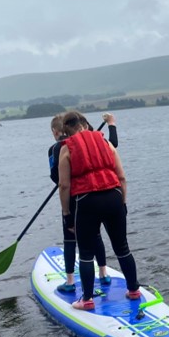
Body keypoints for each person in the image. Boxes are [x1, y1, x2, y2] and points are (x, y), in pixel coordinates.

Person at [57, 111, 141, 310]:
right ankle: (133, 290)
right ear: (86, 125)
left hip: (87, 201)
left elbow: (64, 186)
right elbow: (122, 178)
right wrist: (124, 203)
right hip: (114, 198)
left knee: (86, 253)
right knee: (122, 247)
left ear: (66, 131)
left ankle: (86, 300)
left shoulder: (66, 148)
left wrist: (66, 213)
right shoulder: (106, 143)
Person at [48, 113, 118, 293]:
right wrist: (110, 125)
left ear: (56, 132)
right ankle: (103, 273)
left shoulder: (55, 149)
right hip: (90, 196)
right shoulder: (92, 140)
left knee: (70, 239)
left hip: (72, 199)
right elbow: (112, 145)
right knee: (96, 236)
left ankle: (70, 281)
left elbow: (56, 178)